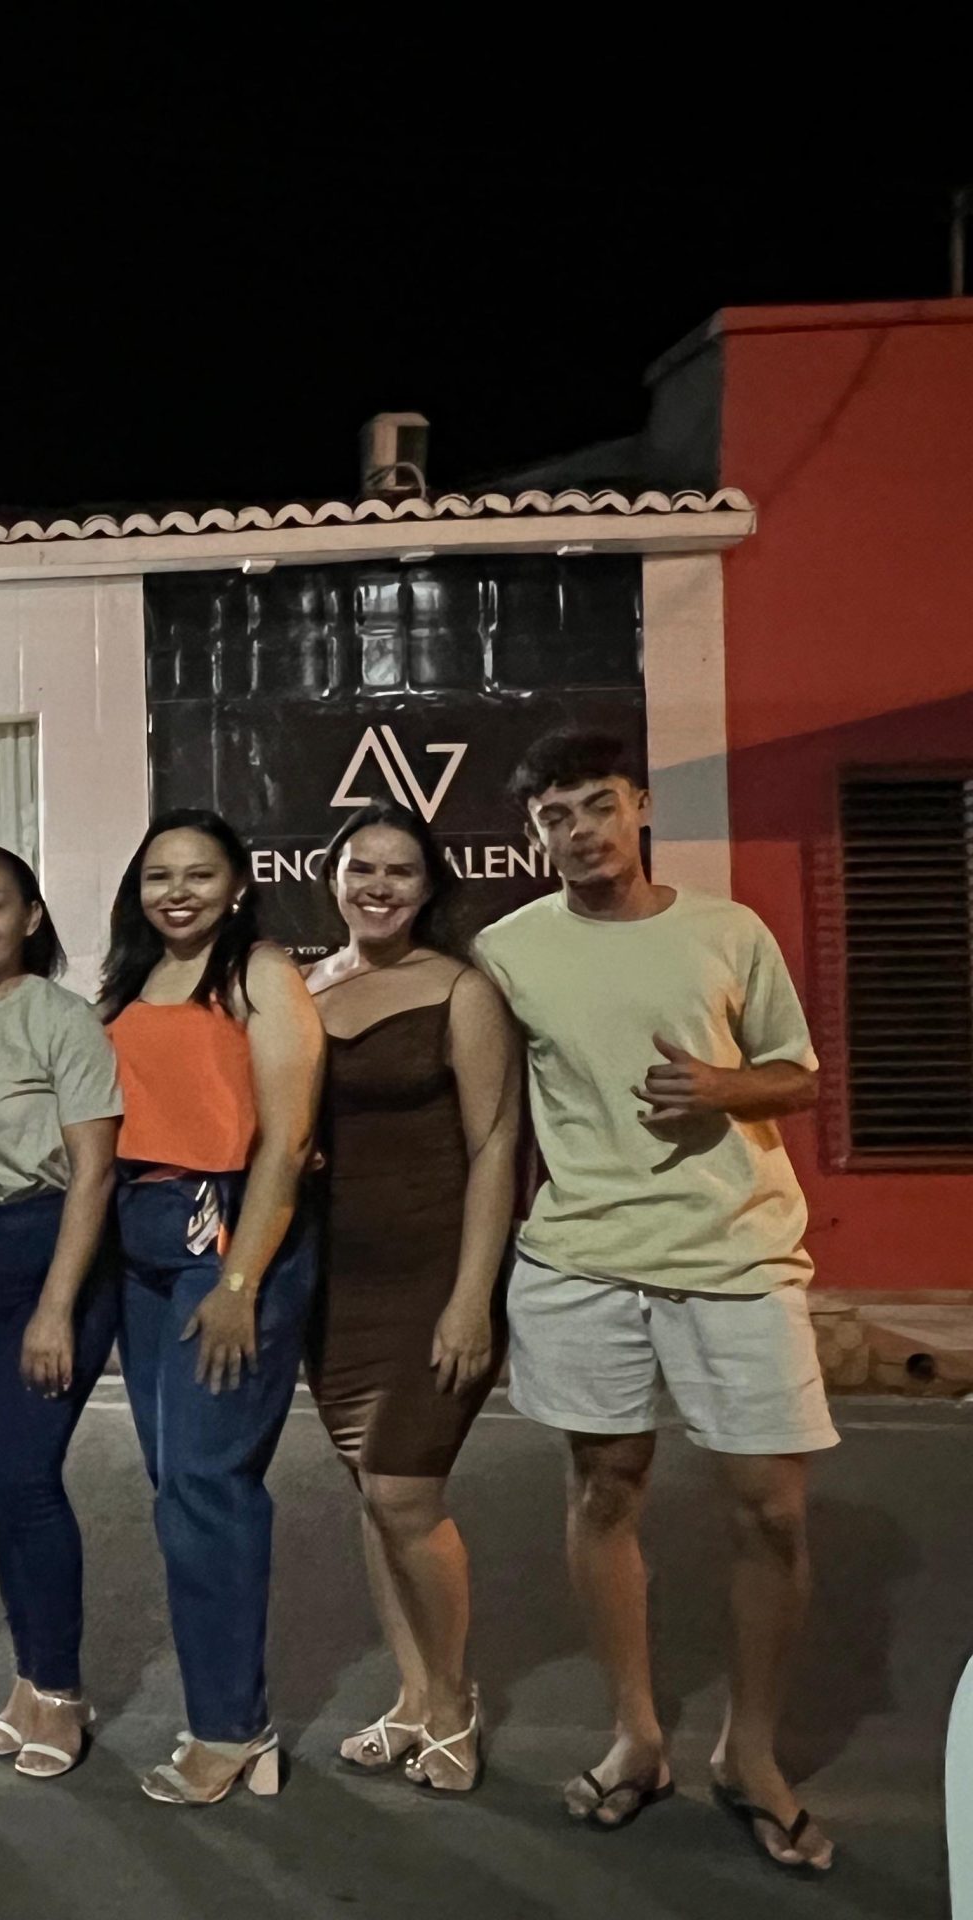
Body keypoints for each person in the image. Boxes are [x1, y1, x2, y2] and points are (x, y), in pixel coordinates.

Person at [473, 729, 836, 1874]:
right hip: (580, 1261)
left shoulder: (727, 929)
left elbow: (799, 1074)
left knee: (771, 1512)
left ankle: (750, 1752)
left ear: (638, 806)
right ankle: (636, 1735)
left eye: (596, 805)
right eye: (554, 817)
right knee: (603, 1489)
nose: (579, 831)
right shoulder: (507, 950)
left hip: (737, 1254)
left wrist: (727, 1087)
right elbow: (489, 1115)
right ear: (533, 834)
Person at [101, 808, 324, 1805]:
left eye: (198, 874)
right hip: (140, 1237)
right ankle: (235, 1718)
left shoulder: (260, 975)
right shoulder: (133, 979)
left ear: (236, 887)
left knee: (205, 1482)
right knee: (177, 1485)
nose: (177, 892)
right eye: (159, 875)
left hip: (224, 1233)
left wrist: (240, 1282)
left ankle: (231, 1728)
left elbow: (287, 1138)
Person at [303, 801, 521, 1794]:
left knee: (403, 1490)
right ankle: (411, 1696)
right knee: (373, 1489)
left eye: (399, 871)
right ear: (332, 878)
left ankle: (455, 1701)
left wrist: (472, 1295)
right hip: (332, 1283)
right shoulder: (306, 988)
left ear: (428, 887)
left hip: (433, 1275)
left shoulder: (462, 992)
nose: (378, 886)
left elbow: (495, 1149)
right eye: (362, 868)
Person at [0, 843, 122, 1780]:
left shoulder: (61, 1018)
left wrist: (56, 1307)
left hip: (53, 1258)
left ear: (32, 916)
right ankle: (29, 1677)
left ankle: (64, 1689)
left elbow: (96, 1172)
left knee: (27, 1478)